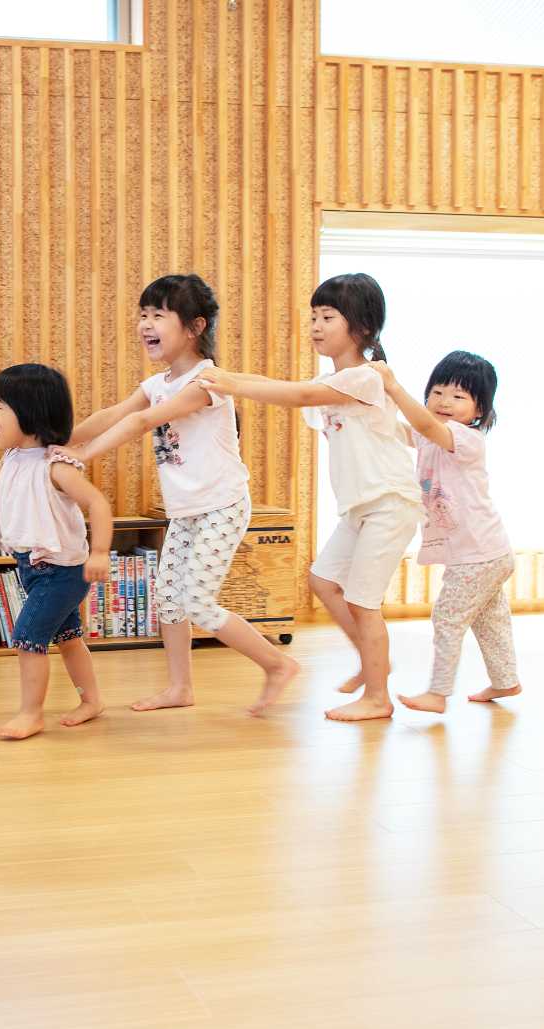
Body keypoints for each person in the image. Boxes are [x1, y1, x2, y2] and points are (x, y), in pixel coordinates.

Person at [53, 274, 298, 718]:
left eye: (158, 315)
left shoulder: (209, 382)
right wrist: (59, 442)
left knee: (199, 603)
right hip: (186, 510)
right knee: (168, 599)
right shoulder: (157, 384)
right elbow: (114, 414)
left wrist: (83, 455)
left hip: (222, 505)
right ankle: (180, 687)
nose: (145, 324)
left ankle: (277, 664)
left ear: (194, 327)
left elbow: (141, 423)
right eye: (143, 315)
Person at [198, 272, 420, 722]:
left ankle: (378, 697)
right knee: (322, 581)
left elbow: (298, 394)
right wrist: (224, 376)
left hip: (389, 503)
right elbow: (284, 383)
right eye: (314, 316)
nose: (316, 326)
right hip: (361, 507)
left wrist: (231, 384)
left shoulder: (365, 378)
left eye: (328, 317)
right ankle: (373, 661)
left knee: (363, 601)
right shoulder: (335, 380)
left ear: (361, 326)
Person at [0, 363, 112, 740]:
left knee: (27, 637)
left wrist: (100, 552)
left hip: (62, 572)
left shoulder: (56, 466)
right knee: (68, 637)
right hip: (32, 567)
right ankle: (91, 700)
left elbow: (98, 504)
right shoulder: (11, 459)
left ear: (30, 414)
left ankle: (31, 713)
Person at [371, 353, 521, 712]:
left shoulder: (466, 439)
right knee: (490, 621)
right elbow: (403, 429)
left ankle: (438, 694)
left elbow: (424, 427)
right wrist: (373, 407)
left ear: (479, 410)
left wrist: (394, 386)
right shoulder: (431, 435)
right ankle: (506, 682)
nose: (444, 402)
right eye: (437, 392)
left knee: (447, 618)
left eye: (458, 396)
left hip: (479, 554)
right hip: (487, 552)